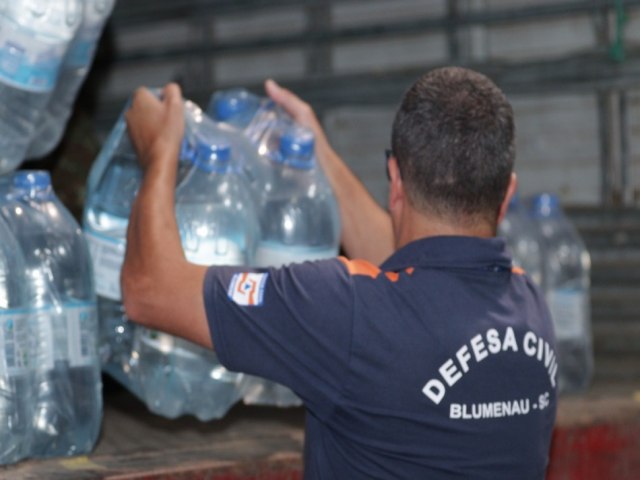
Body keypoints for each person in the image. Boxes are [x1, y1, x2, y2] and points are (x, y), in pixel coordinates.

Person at [121, 66, 557, 479]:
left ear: (395, 179)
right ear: (508, 193)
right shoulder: (529, 305)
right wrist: (320, 151)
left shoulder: (345, 312)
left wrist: (160, 150)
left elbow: (150, 290)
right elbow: (415, 273)